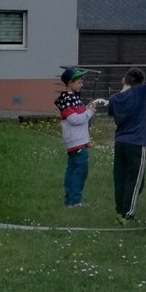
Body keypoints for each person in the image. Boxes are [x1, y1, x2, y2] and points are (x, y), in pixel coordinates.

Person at [104, 67, 146, 222]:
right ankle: (128, 214)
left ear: (124, 79)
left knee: (120, 177)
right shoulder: (139, 92)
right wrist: (143, 87)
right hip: (137, 142)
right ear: (139, 82)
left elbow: (112, 114)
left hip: (120, 141)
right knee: (136, 180)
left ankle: (120, 209)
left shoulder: (114, 98)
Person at [54, 67, 97, 207]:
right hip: (76, 142)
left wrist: (88, 108)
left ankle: (69, 200)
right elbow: (74, 119)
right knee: (79, 172)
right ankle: (75, 201)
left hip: (78, 141)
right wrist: (89, 112)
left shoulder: (73, 98)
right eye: (79, 82)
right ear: (70, 83)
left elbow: (80, 114)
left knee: (72, 171)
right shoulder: (66, 99)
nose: (81, 85)